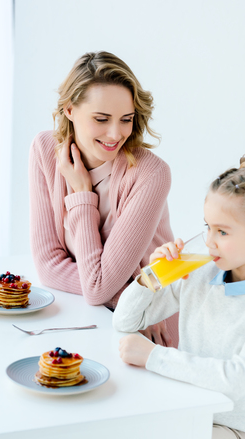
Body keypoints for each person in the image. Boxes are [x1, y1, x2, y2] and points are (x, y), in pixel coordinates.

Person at [113, 155, 245, 439]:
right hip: (187, 412)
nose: (208, 241)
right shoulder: (200, 273)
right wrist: (152, 276)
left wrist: (154, 356)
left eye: (222, 231)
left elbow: (236, 379)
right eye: (207, 226)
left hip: (236, 430)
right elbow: (126, 320)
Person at [29, 51, 178, 347]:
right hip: (102, 312)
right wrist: (125, 294)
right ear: (69, 109)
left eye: (126, 119)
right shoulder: (45, 150)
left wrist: (82, 195)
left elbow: (96, 287)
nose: (115, 134)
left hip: (150, 325)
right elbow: (48, 265)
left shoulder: (151, 173)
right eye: (101, 119)